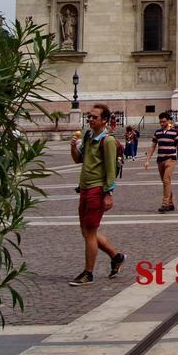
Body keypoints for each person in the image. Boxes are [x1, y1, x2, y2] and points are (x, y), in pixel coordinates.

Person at [68, 104, 125, 285]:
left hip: (97, 189)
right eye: (89, 116)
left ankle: (88, 273)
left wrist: (109, 193)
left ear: (104, 120)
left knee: (90, 232)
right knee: (86, 231)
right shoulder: (88, 136)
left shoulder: (107, 141)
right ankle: (116, 256)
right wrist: (72, 147)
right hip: (84, 188)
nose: (90, 119)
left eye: (94, 117)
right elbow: (79, 159)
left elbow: (110, 169)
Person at [142, 111, 178, 212]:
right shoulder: (157, 132)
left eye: (164, 122)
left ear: (169, 121)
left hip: (170, 159)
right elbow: (152, 147)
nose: (162, 123)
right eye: (160, 122)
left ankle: (165, 204)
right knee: (166, 182)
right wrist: (147, 160)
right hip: (160, 160)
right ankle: (171, 203)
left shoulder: (175, 132)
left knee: (166, 180)